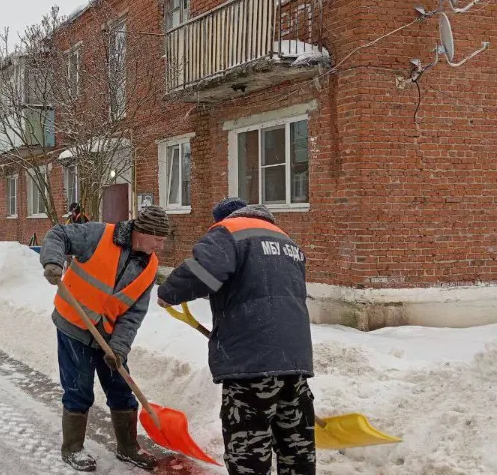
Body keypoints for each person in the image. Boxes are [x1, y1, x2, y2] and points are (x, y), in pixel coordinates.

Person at [157, 198, 315, 475]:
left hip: (252, 361)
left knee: (249, 449)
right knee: (295, 445)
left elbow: (204, 269)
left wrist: (168, 293)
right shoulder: (286, 241)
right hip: (295, 358)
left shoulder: (229, 231)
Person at [39, 205, 171, 472]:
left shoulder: (150, 265)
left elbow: (133, 314)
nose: (161, 244)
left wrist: (119, 349)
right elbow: (58, 235)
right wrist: (53, 261)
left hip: (108, 334)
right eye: (158, 238)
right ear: (142, 232)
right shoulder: (100, 235)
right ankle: (73, 448)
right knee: (79, 388)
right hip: (74, 324)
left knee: (122, 388)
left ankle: (128, 447)